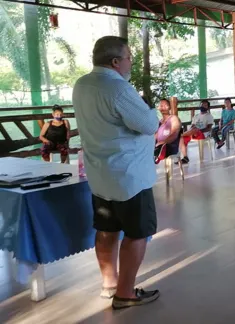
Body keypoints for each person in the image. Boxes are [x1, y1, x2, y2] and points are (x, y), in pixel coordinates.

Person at [73, 36, 160, 309]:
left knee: (107, 228)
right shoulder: (118, 88)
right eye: (128, 58)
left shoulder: (82, 84)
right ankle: (125, 293)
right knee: (137, 232)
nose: (130, 62)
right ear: (115, 62)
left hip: (100, 173)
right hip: (129, 176)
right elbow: (148, 125)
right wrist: (153, 111)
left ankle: (109, 284)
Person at [154, 99, 182, 163]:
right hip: (158, 146)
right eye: (161, 105)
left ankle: (156, 155)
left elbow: (174, 134)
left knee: (160, 148)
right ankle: (156, 154)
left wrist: (163, 142)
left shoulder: (174, 118)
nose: (163, 107)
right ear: (158, 108)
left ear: (169, 107)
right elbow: (155, 136)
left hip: (170, 146)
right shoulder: (159, 122)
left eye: (165, 105)